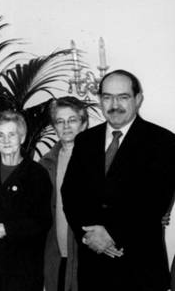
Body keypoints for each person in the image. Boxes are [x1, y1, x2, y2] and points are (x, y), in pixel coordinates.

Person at [61, 69, 175, 291]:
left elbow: (156, 202)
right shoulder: (85, 141)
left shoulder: (163, 141)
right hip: (93, 265)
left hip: (140, 266)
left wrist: (112, 235)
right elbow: (71, 194)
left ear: (138, 99)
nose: (114, 105)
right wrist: (88, 236)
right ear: (100, 99)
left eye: (123, 97)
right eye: (107, 97)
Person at [0, 110, 52, 291]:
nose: (6, 140)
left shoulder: (37, 173)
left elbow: (43, 220)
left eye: (11, 134)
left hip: (22, 265)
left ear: (22, 138)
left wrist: (7, 229)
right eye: (0, 135)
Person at [40, 97, 88, 291]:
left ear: (84, 124)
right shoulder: (45, 164)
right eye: (60, 121)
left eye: (72, 120)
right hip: (55, 253)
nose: (66, 126)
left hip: (87, 254)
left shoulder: (96, 160)